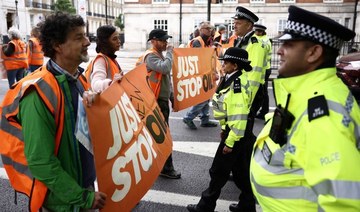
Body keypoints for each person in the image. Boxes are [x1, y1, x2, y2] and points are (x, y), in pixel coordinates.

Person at [250, 5, 360, 211]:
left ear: (314, 53)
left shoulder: (322, 114)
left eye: (289, 44)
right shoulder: (307, 89)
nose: (280, 50)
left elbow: (344, 203)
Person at [0, 12, 106, 211]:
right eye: (78, 37)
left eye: (85, 35)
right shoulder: (37, 93)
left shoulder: (79, 78)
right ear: (58, 45)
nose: (87, 42)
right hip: (64, 199)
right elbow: (41, 161)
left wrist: (95, 102)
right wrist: (81, 197)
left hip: (83, 185)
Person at [187, 47, 253, 212]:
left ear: (235, 65)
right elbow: (228, 111)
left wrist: (229, 142)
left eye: (226, 62)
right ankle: (246, 206)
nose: (222, 64)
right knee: (241, 173)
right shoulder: (231, 78)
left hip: (236, 135)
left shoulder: (237, 85)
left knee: (218, 171)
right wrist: (224, 128)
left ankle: (205, 206)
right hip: (237, 133)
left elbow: (238, 118)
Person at [227, 6, 267, 212]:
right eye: (235, 21)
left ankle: (247, 199)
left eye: (239, 22)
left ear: (249, 25)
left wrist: (243, 104)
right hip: (241, 99)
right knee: (243, 142)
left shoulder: (256, 44)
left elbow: (252, 78)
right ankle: (246, 200)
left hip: (247, 100)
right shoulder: (242, 41)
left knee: (240, 143)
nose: (235, 24)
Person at [139, 28, 181, 179]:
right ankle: (166, 168)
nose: (166, 43)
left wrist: (170, 96)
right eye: (163, 40)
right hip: (155, 101)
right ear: (153, 41)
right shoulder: (150, 56)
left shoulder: (157, 55)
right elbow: (165, 69)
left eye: (166, 40)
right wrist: (170, 52)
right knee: (164, 136)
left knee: (161, 135)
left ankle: (160, 165)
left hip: (160, 100)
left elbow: (164, 80)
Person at [182, 21, 218, 130]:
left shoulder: (207, 41)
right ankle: (188, 117)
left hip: (205, 72)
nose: (210, 30)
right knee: (203, 98)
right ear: (201, 29)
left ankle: (205, 119)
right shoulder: (197, 42)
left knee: (206, 97)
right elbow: (199, 59)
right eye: (207, 28)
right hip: (198, 73)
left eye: (211, 28)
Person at [85, 25, 123, 92]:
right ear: (105, 42)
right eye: (114, 39)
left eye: (118, 38)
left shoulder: (111, 59)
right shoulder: (101, 60)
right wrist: (111, 83)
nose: (119, 41)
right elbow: (95, 84)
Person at [253, 24, 272, 120]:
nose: (256, 33)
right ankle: (263, 111)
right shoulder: (265, 39)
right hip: (264, 68)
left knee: (262, 92)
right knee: (263, 91)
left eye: (258, 31)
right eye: (256, 31)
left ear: (261, 32)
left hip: (262, 69)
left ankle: (263, 112)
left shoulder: (262, 41)